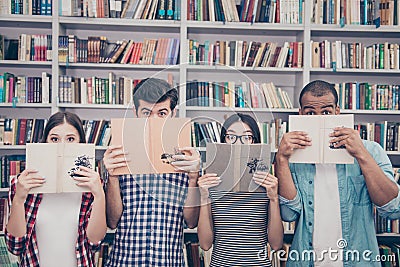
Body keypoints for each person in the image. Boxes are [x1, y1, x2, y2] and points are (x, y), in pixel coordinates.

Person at [276, 80, 400, 266]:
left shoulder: (371, 149)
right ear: (300, 114)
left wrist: (360, 154)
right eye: (311, 113)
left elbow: (392, 208)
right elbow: (288, 215)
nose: (319, 120)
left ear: (337, 112)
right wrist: (281, 160)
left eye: (326, 112)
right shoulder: (293, 156)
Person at [103, 77, 201, 266]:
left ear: (173, 114)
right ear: (135, 113)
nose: (154, 120)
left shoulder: (186, 157)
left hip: (168, 262)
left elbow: (191, 222)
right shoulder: (120, 154)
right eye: (147, 113)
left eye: (162, 113)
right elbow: (112, 222)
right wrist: (113, 177)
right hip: (125, 261)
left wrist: (193, 178)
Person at [6, 111, 107, 267]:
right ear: (45, 142)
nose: (62, 145)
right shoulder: (23, 183)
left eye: (71, 139)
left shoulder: (92, 185)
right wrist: (19, 199)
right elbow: (15, 246)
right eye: (54, 139)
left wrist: (99, 195)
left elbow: (94, 243)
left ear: (81, 143)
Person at [197, 113, 283, 266]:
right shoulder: (212, 181)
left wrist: (274, 198)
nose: (238, 144)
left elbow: (276, 244)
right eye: (231, 137)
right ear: (223, 141)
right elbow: (205, 244)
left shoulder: (266, 184)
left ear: (255, 141)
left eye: (247, 137)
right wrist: (204, 198)